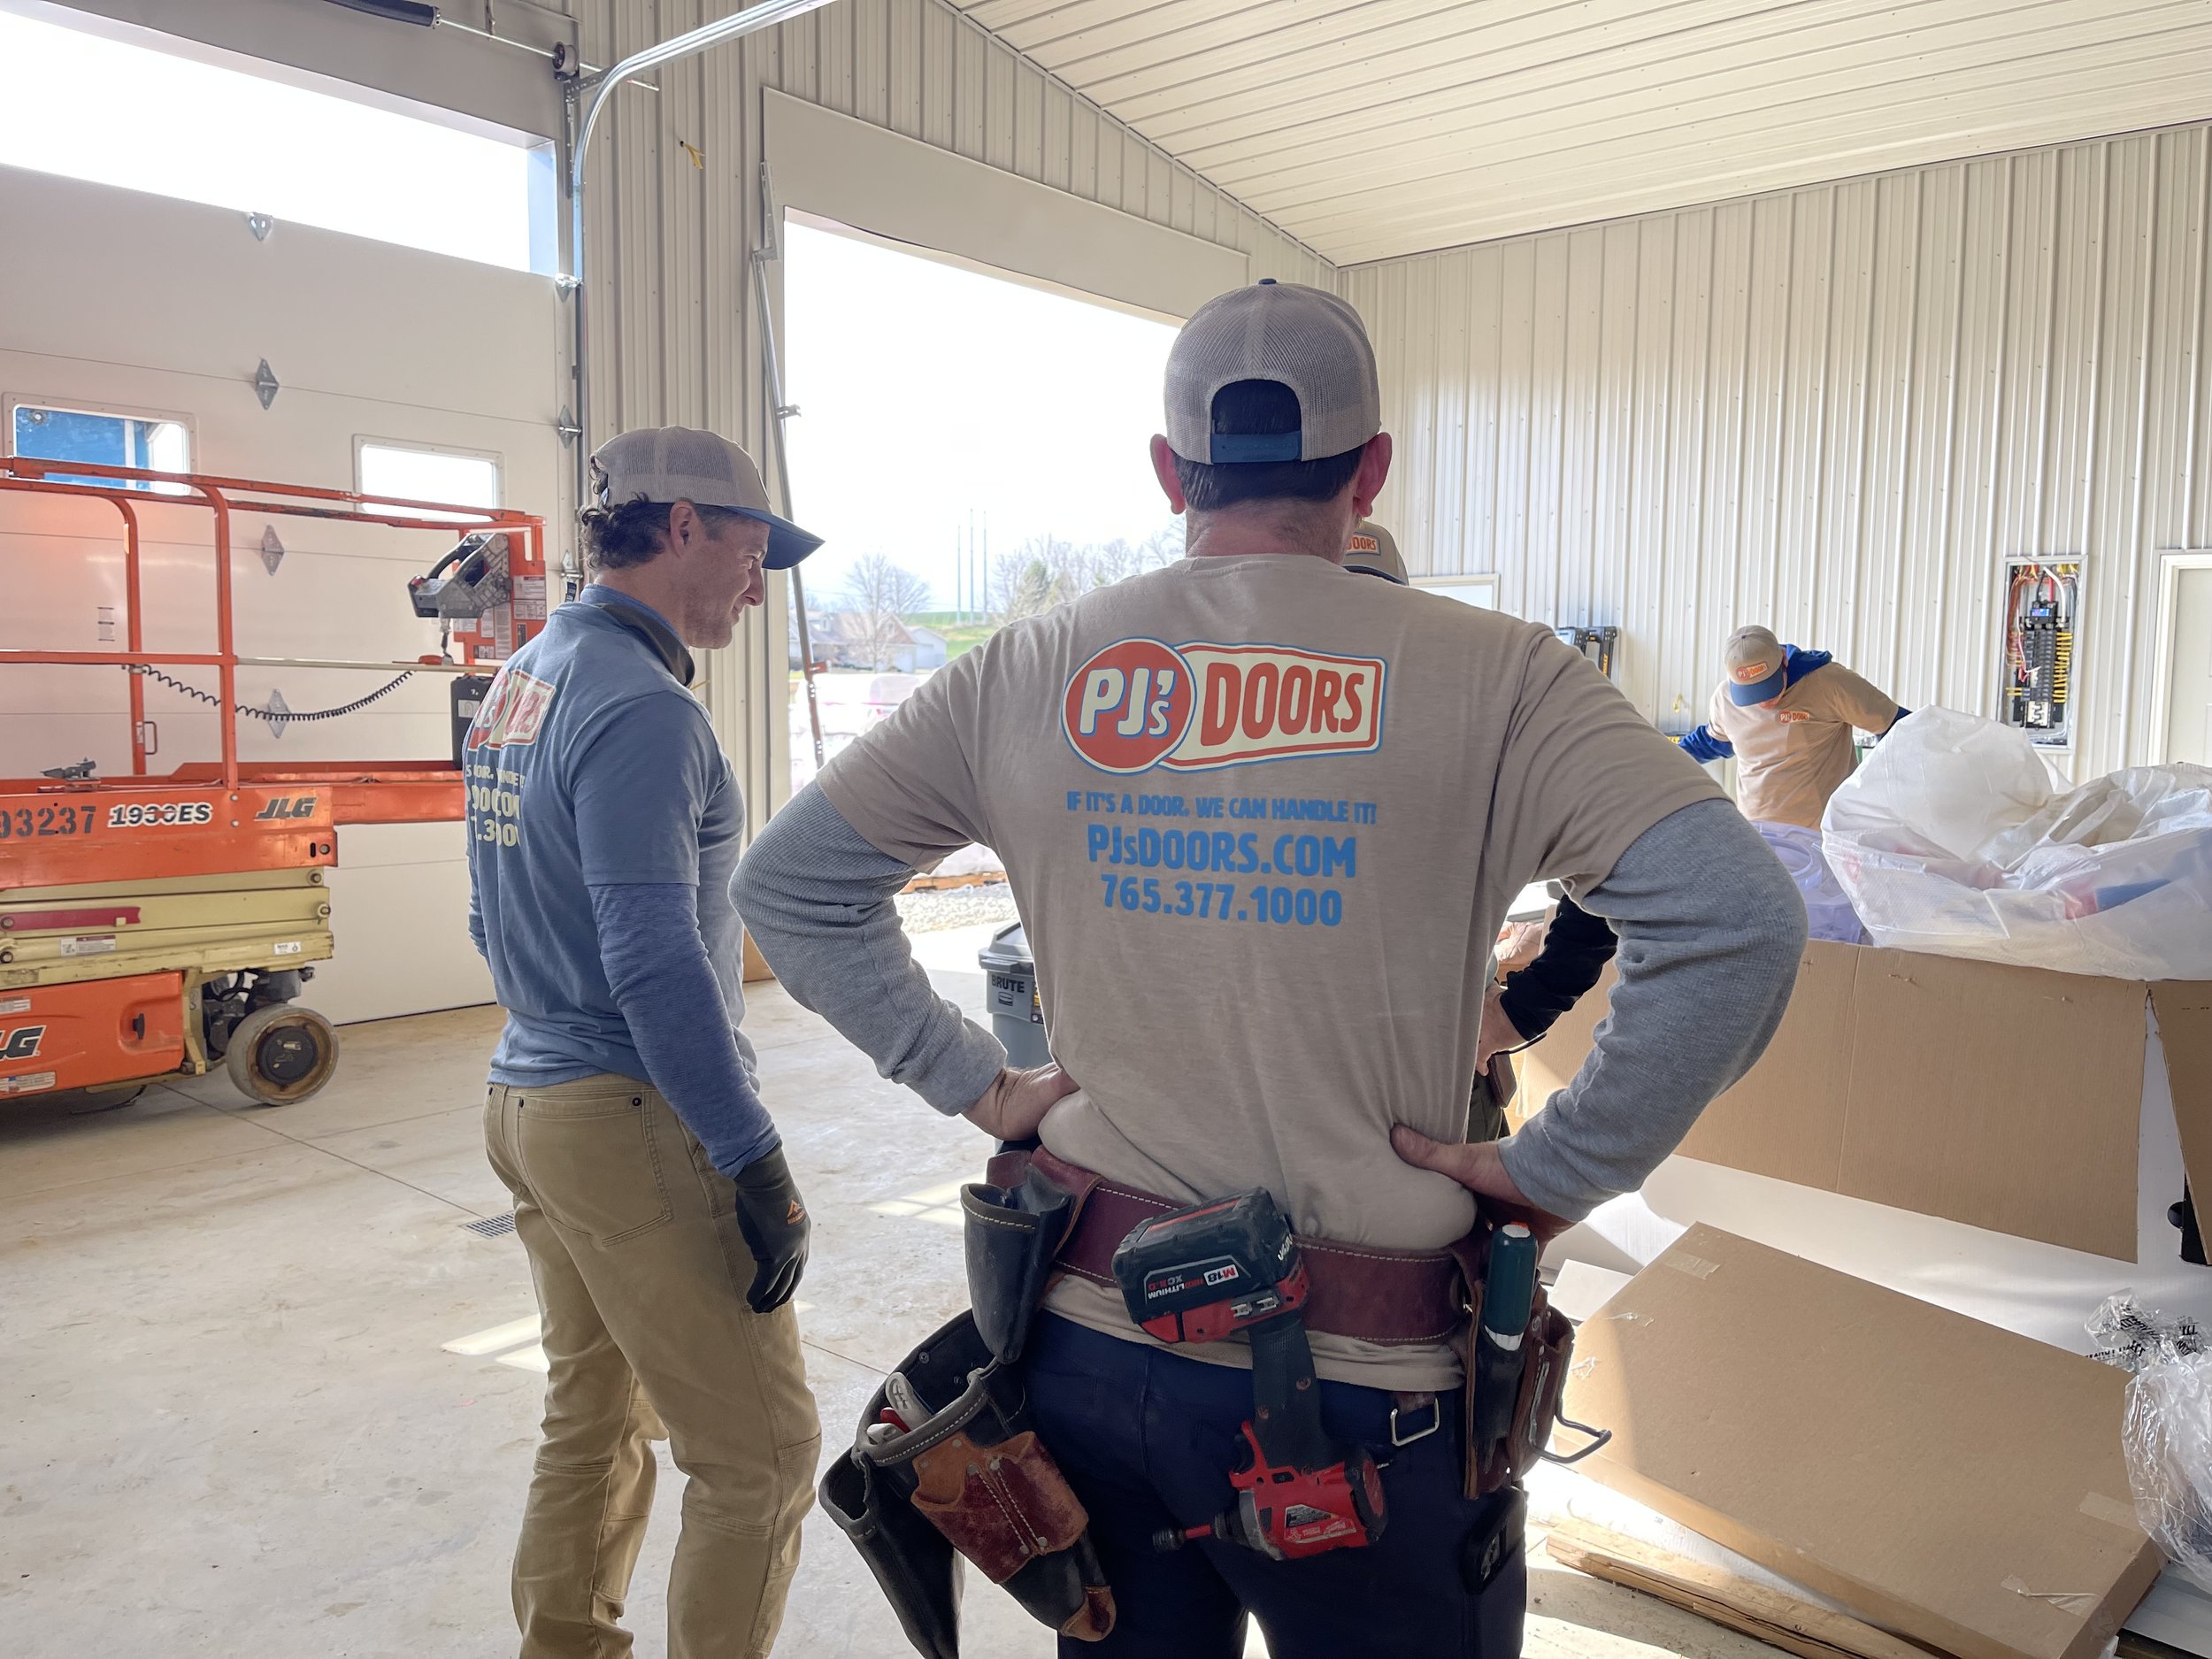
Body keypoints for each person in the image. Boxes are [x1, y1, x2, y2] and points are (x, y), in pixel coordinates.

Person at [734, 282, 1805, 1658]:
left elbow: (791, 885)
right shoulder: (1501, 677)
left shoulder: (1031, 666)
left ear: (1172, 474)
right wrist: (1559, 1165)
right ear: (1371, 473)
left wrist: (980, 1084)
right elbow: (1738, 923)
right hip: (1369, 1397)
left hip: (1085, 1348)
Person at [465, 427, 825, 1659]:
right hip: (627, 1114)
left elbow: (486, 911)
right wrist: (751, 1153)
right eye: (751, 546)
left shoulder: (525, 680)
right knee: (761, 1457)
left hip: (530, 1096)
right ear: (683, 528)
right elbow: (656, 956)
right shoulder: (645, 709)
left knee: (595, 1412)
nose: (758, 577)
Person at [1678, 625, 1909, 828]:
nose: (1763, 701)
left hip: (1821, 837)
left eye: (1768, 686)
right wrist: (1662, 757)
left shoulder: (1827, 683)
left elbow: (1896, 725)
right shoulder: (1725, 699)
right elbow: (1714, 742)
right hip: (1759, 836)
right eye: (1751, 693)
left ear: (1783, 659)